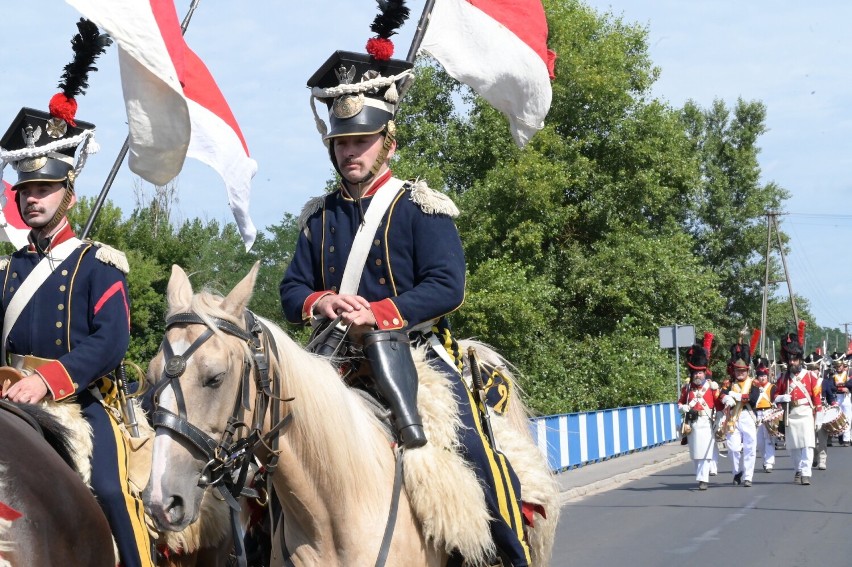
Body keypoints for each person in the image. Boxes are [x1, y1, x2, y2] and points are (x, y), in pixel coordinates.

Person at [279, 44, 531, 565]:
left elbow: (447, 286)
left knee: (473, 455)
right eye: (342, 142)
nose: (351, 151)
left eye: (362, 141)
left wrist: (379, 312)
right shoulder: (318, 219)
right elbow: (291, 291)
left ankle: (507, 551)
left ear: (387, 143)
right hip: (331, 364)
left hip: (413, 356)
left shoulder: (420, 207)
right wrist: (322, 302)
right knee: (267, 462)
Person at [0, 21, 153, 567]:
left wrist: (48, 380)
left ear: (68, 191)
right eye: (26, 191)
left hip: (80, 402)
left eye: (44, 189)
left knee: (111, 492)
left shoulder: (98, 264)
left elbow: (111, 341)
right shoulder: (8, 270)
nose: (33, 199)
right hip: (10, 396)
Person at [774, 328, 822, 486]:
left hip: (806, 412)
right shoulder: (783, 378)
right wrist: (781, 397)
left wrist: (819, 416)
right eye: (790, 360)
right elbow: (774, 397)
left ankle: (806, 472)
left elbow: (816, 398)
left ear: (800, 359)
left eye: (794, 360)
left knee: (807, 444)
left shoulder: (810, 376)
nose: (792, 362)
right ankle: (798, 470)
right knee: (794, 447)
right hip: (791, 414)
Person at [677, 342, 722, 490]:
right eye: (695, 373)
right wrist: (682, 408)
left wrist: (724, 404)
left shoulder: (712, 387)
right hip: (692, 423)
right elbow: (680, 403)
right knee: (696, 452)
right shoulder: (687, 388)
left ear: (704, 372)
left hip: (706, 422)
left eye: (700, 372)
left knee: (706, 452)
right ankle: (700, 476)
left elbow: (719, 403)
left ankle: (703, 479)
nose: (698, 375)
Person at [720, 343, 759, 487]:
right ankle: (737, 472)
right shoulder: (728, 383)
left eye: (742, 371)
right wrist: (725, 397)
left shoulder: (753, 383)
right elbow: (721, 395)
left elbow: (753, 399)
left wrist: (736, 395)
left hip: (747, 415)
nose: (740, 373)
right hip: (733, 418)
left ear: (747, 371)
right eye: (737, 371)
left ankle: (748, 476)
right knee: (733, 448)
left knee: (750, 447)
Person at [752, 357, 778, 472]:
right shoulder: (754, 388)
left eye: (764, 376)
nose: (762, 378)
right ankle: (765, 459)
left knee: (769, 439)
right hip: (757, 414)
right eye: (760, 376)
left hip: (768, 412)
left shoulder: (772, 387)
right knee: (759, 442)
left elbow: (776, 400)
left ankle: (769, 463)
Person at [829, 351, 852, 445]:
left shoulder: (848, 374)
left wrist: (847, 387)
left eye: (840, 366)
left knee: (847, 417)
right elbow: (830, 386)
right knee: (837, 418)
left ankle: (846, 439)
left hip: (846, 397)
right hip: (837, 397)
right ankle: (840, 436)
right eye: (836, 366)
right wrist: (836, 387)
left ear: (843, 365)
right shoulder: (832, 375)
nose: (838, 368)